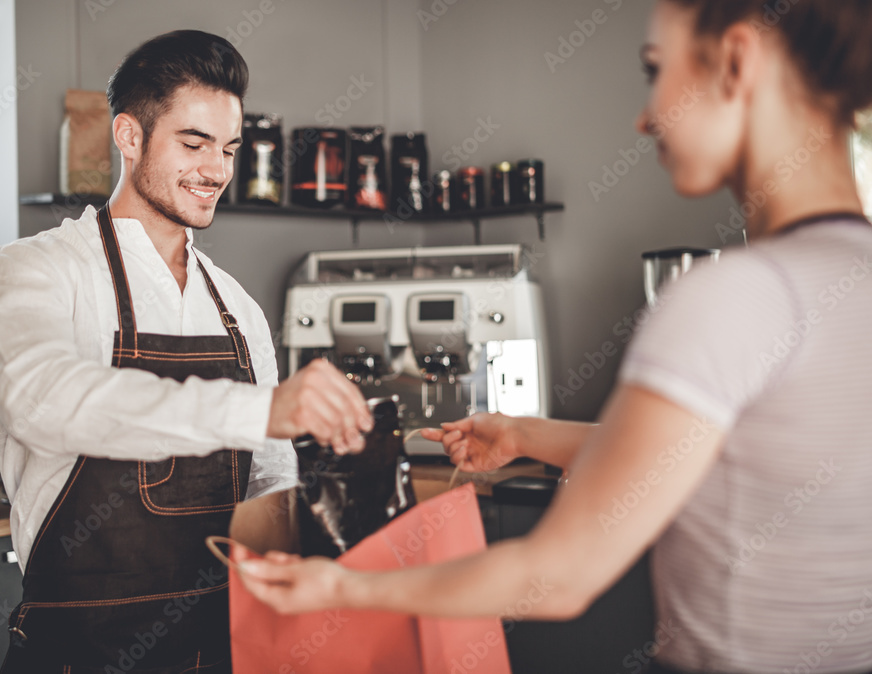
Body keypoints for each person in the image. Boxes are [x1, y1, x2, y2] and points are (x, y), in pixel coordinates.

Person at [236, 2, 872, 672]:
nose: (644, 116)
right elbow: (725, 456)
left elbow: (561, 574)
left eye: (655, 71)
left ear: (738, 61)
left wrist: (348, 586)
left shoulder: (733, 293)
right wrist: (524, 433)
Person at [0, 30, 371, 674]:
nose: (217, 170)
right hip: (78, 654)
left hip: (218, 650)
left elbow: (267, 477)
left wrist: (339, 523)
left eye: (230, 148)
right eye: (194, 143)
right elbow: (45, 402)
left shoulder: (236, 306)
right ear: (129, 137)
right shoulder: (31, 272)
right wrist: (257, 410)